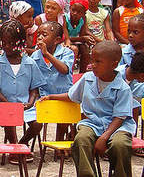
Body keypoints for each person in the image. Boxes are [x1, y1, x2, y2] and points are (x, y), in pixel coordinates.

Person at [40, 41, 136, 177]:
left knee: (120, 145)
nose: (92, 65)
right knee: (81, 140)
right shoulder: (88, 78)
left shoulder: (123, 88)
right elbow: (72, 95)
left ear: (114, 64)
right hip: (92, 123)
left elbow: (120, 117)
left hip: (117, 127)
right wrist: (52, 96)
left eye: (98, 62)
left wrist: (104, 137)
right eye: (92, 60)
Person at [0, 20, 46, 163]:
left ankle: (21, 145)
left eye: (11, 43)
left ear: (21, 42)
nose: (7, 47)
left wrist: (30, 103)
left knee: (37, 124)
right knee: (10, 118)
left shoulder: (30, 63)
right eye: (4, 43)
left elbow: (34, 89)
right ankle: (15, 148)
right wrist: (8, 103)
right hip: (4, 105)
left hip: (25, 106)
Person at [30, 21, 74, 141]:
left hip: (63, 96)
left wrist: (47, 54)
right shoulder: (35, 56)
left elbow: (64, 70)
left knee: (64, 118)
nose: (39, 37)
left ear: (56, 40)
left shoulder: (67, 52)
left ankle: (59, 142)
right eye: (38, 34)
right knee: (36, 120)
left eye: (44, 35)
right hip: (43, 97)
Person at [66, 0, 93, 72]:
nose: (75, 13)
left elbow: (82, 35)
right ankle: (69, 73)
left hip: (76, 40)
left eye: (79, 12)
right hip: (65, 41)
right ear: (70, 8)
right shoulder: (65, 18)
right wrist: (83, 38)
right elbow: (65, 38)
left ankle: (82, 73)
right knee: (74, 50)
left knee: (85, 51)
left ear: (84, 13)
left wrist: (88, 40)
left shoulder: (83, 19)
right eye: (73, 10)